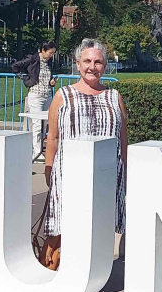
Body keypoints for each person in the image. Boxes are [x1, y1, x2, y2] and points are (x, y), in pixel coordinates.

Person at [43, 38, 127, 270]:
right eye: (87, 61)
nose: (92, 67)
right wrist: (49, 169)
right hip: (70, 177)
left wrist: (126, 173)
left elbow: (122, 139)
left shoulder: (114, 97)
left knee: (99, 228)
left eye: (98, 62)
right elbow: (53, 137)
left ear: (105, 66)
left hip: (105, 179)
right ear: (78, 64)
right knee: (70, 226)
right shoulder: (63, 95)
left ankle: (94, 273)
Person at [12, 41, 58, 160]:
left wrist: (52, 82)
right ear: (43, 50)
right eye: (50, 53)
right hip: (36, 95)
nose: (51, 55)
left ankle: (40, 149)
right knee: (37, 124)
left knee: (46, 124)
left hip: (47, 94)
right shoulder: (32, 59)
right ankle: (36, 152)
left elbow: (46, 77)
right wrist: (25, 78)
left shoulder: (49, 62)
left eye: (53, 53)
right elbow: (15, 66)